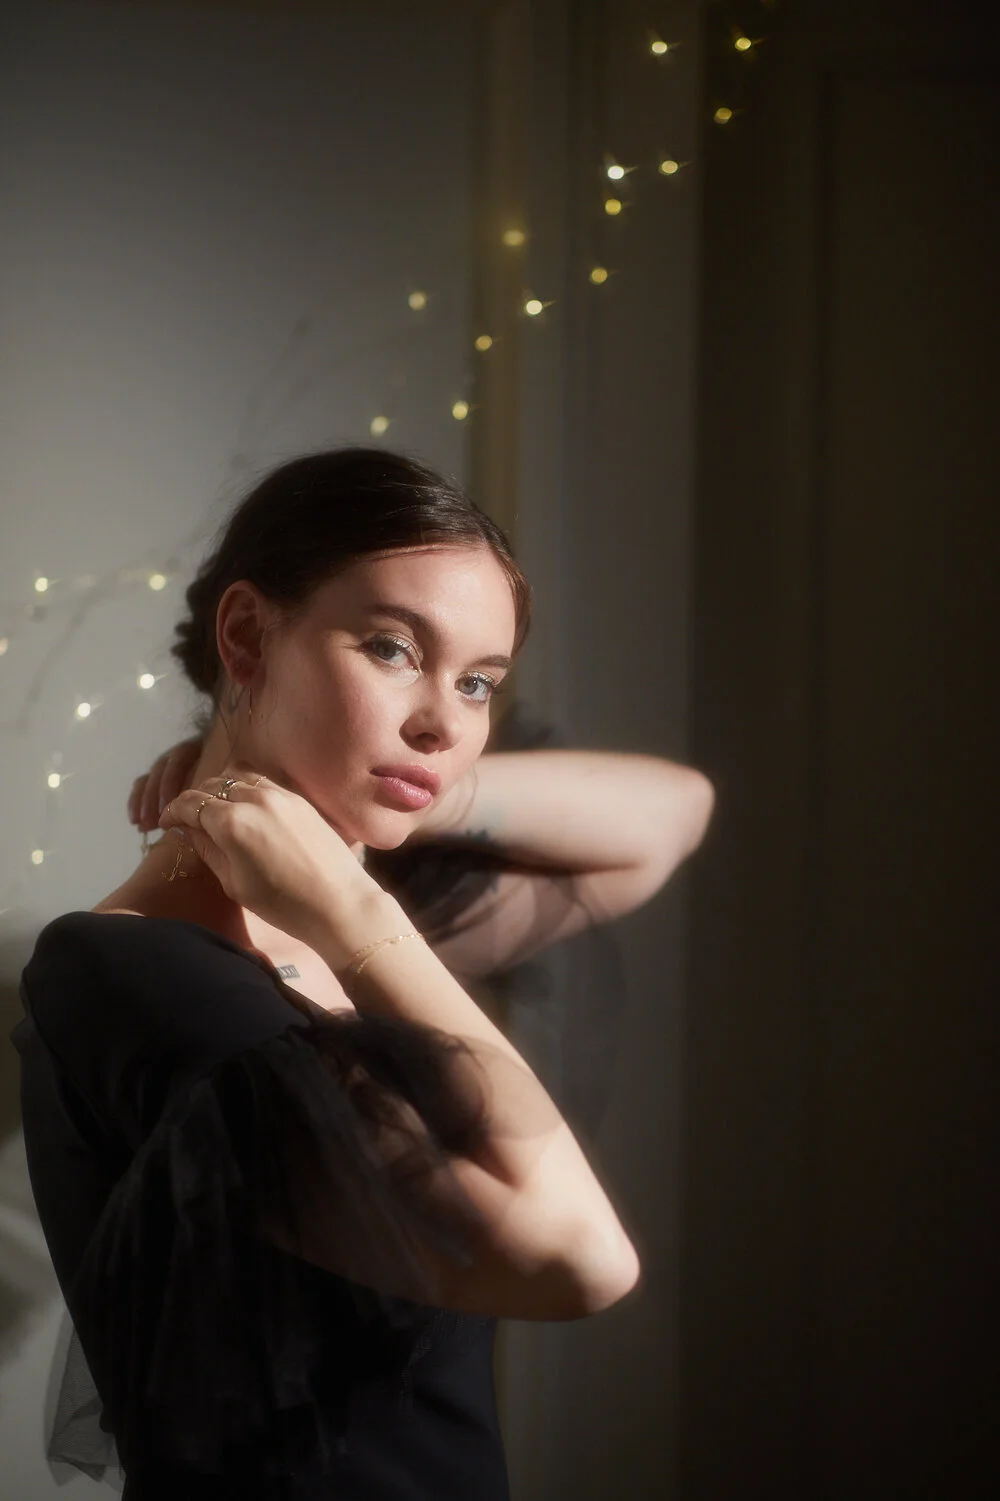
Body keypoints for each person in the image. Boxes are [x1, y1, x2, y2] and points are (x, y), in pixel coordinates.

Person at [12, 447, 715, 1500]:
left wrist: (422, 796)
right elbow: (583, 1257)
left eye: (478, 682)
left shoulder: (342, 945)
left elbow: (671, 815)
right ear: (246, 636)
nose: (446, 721)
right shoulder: (137, 974)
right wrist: (357, 910)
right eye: (393, 647)